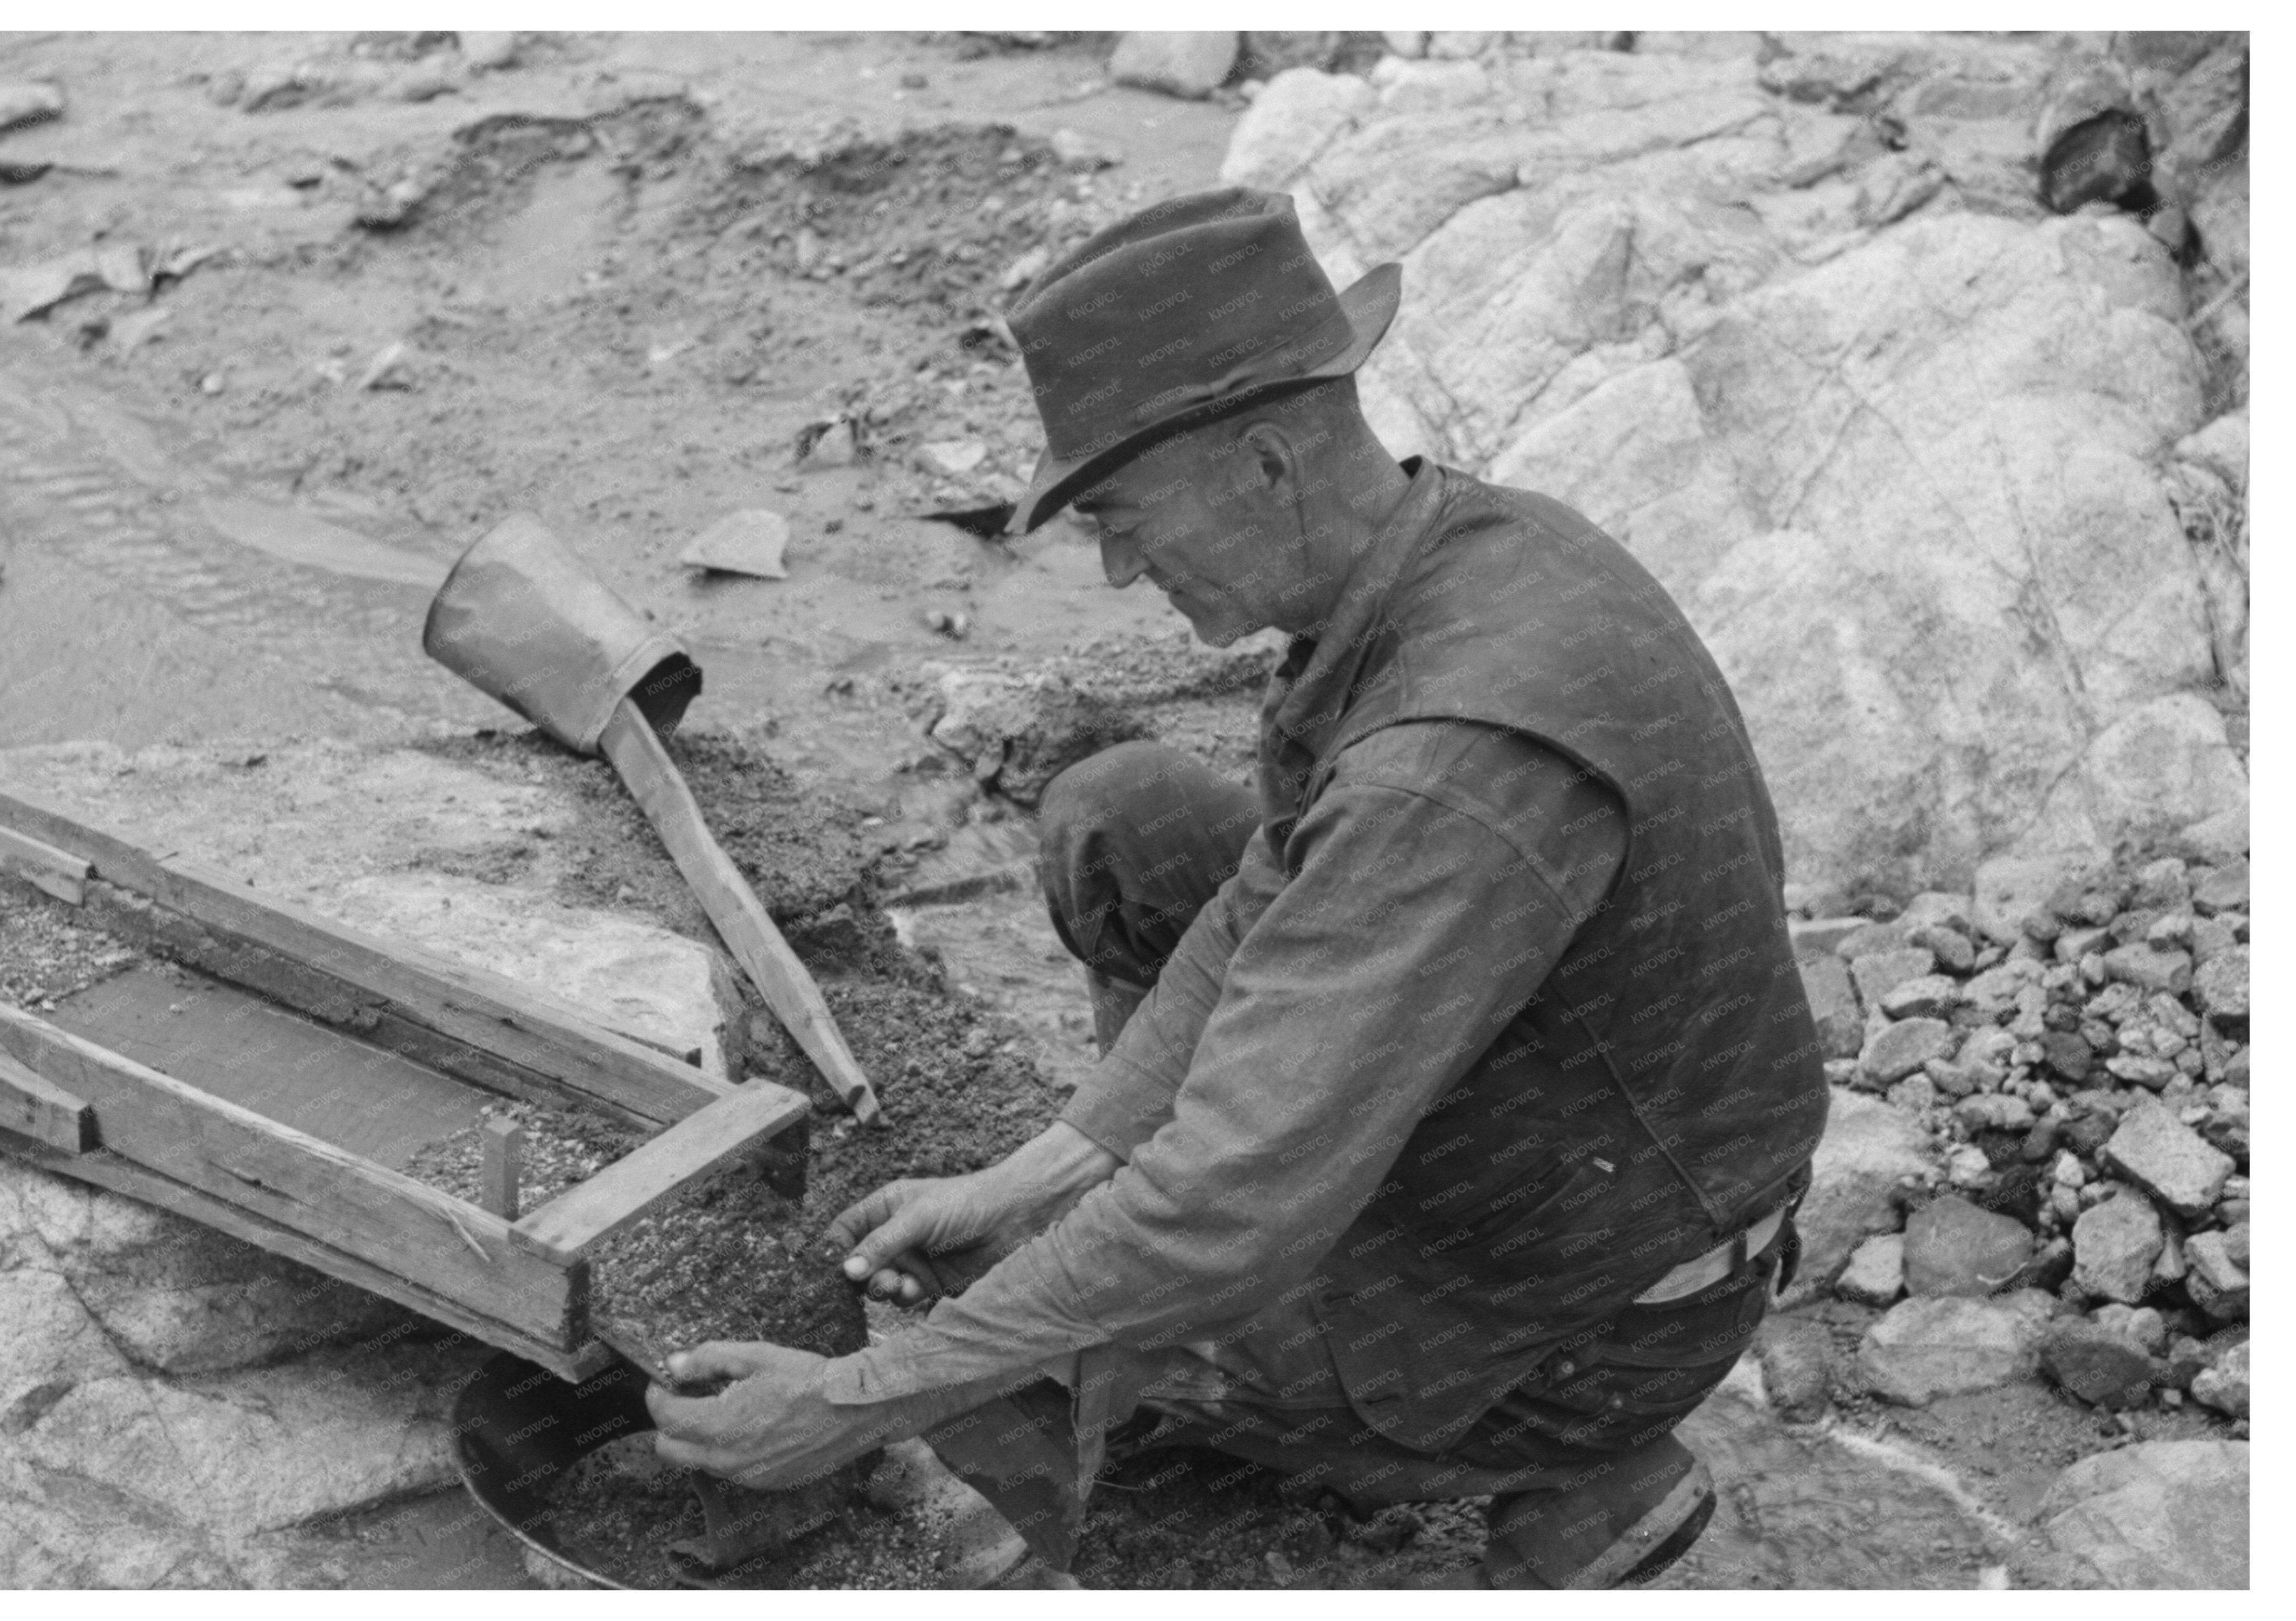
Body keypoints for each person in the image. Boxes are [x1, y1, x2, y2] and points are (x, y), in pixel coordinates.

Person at [647, 188, 1831, 1588]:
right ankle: (1216, 1251)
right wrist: (1028, 1180)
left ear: (1267, 464)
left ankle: (1570, 1453)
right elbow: (1256, 907)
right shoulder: (1456, 551)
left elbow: (1221, 1207)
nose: (1120, 565)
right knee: (1124, 819)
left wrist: (858, 1403)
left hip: (1610, 1298)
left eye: (1129, 517)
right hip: (1572, 1127)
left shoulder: (1449, 771)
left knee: (1054, 1335)